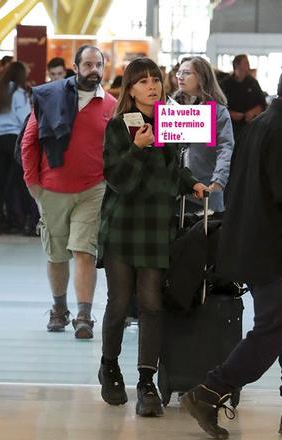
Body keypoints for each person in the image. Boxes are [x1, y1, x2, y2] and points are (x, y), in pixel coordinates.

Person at [182, 57, 282, 439]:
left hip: (259, 244)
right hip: (275, 249)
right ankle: (211, 390)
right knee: (272, 328)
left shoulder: (265, 123)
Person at [97, 57, 208, 417]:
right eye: (142, 81)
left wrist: (192, 183)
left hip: (157, 226)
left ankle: (147, 380)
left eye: (155, 80)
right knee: (119, 303)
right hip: (123, 227)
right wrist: (138, 149)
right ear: (129, 89)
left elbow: (175, 169)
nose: (152, 87)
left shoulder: (169, 121)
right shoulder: (117, 128)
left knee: (151, 303)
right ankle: (109, 365)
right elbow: (119, 181)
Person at [21, 45, 117, 338]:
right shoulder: (52, 98)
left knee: (85, 251)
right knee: (57, 255)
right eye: (87, 64)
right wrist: (32, 182)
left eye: (98, 65)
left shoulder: (111, 105)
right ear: (76, 67)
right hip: (52, 189)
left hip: (93, 189)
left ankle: (84, 315)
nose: (93, 70)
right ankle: (59, 309)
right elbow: (30, 142)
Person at [174, 56, 234, 212]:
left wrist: (218, 180)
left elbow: (225, 148)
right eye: (179, 72)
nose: (180, 77)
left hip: (206, 189)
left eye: (186, 73)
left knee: (205, 233)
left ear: (201, 76)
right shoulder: (171, 108)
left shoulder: (218, 111)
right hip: (175, 190)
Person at [0, 61, 33, 235]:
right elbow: (26, 119)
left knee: (0, 182)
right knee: (20, 183)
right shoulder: (19, 94)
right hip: (15, 141)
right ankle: (26, 220)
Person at [220, 54, 266, 142]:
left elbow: (262, 103)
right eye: (246, 63)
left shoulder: (253, 83)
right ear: (237, 65)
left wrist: (254, 111)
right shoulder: (225, 84)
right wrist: (229, 114)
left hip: (249, 126)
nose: (249, 66)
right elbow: (217, 105)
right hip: (230, 127)